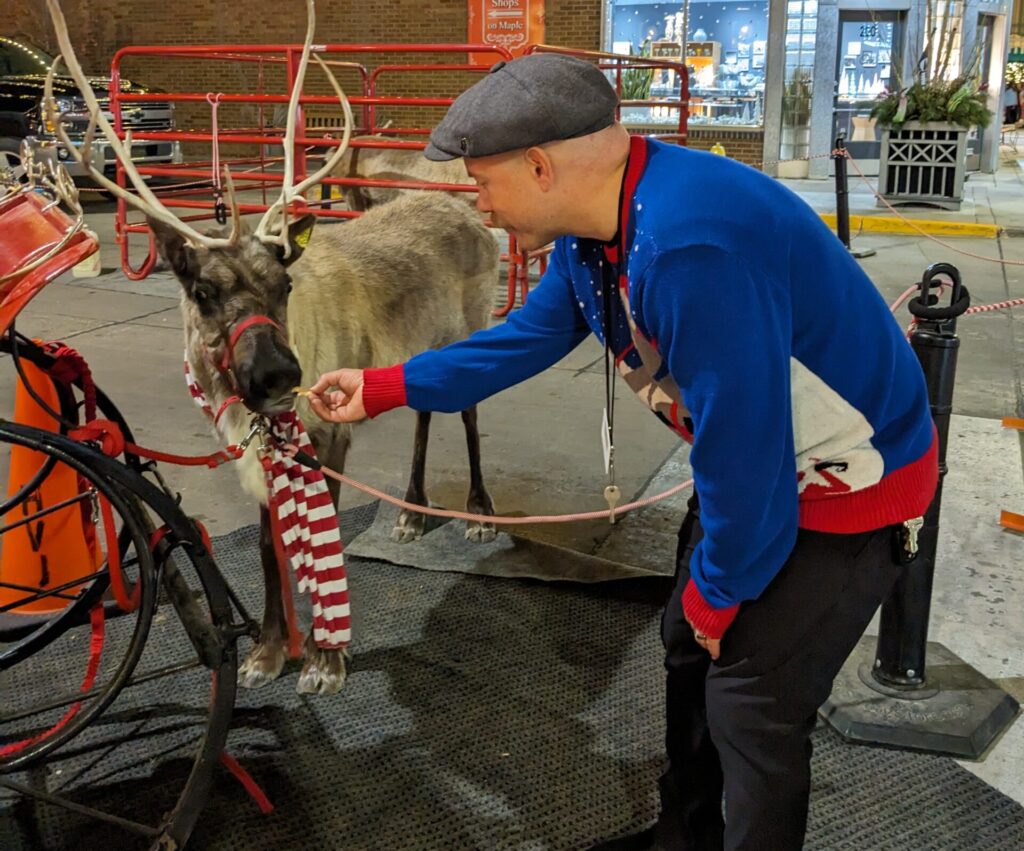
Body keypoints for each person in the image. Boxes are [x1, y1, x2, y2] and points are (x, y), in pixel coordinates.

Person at [307, 54, 938, 851]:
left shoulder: (687, 246)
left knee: (752, 701)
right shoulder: (597, 231)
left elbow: (751, 466)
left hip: (847, 488)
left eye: (483, 182)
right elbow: (521, 342)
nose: (482, 205)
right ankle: (685, 834)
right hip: (766, 467)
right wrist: (384, 386)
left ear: (540, 166)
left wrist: (720, 593)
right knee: (687, 648)